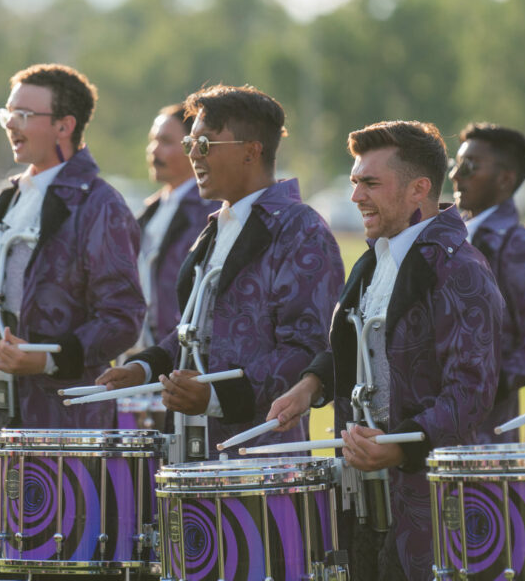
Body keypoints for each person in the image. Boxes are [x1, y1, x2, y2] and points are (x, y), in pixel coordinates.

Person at [267, 120, 504, 581]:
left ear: (419, 189)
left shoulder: (461, 269)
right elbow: (356, 347)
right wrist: (310, 385)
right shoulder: (377, 256)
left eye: (370, 183)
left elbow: (471, 394)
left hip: (432, 506)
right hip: (363, 500)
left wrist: (398, 449)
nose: (356, 196)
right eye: (355, 182)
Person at [0, 63, 144, 515]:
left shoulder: (100, 204)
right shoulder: (12, 193)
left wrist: (47, 357)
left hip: (63, 421)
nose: (10, 124)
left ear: (65, 126)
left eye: (25, 114)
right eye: (9, 112)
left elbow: (123, 318)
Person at [98, 84, 344, 458]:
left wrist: (214, 395)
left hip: (259, 460)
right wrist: (143, 369)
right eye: (190, 144)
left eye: (206, 144)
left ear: (251, 151)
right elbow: (193, 331)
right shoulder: (220, 223)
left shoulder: (300, 229)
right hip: (194, 445)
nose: (193, 155)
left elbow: (307, 348)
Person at [449, 123, 525, 443]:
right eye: (456, 164)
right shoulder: (451, 237)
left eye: (469, 166)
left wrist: (487, 385)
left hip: (487, 436)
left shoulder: (518, 245)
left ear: (505, 179)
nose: (456, 175)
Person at [135, 103, 218, 347]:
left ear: (192, 147)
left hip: (179, 349)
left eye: (166, 142)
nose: (153, 150)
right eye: (152, 140)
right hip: (143, 349)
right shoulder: (153, 208)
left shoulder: (208, 210)